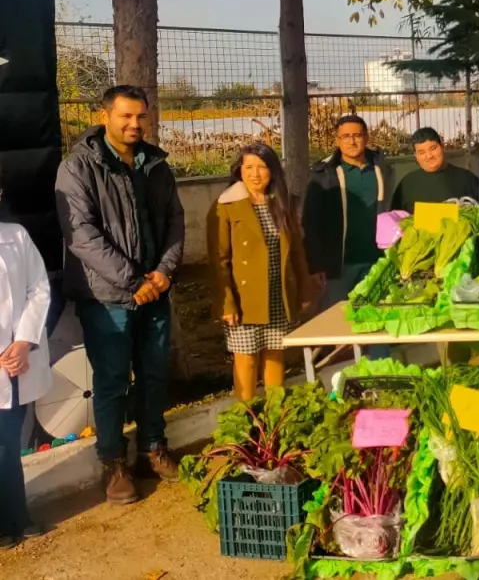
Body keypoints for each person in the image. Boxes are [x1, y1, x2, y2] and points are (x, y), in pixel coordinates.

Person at [55, 85, 185, 505]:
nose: (134, 124)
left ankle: (152, 448)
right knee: (112, 382)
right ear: (104, 116)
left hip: (155, 291)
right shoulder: (79, 167)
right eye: (125, 116)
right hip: (106, 297)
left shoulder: (155, 164)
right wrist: (134, 282)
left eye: (140, 116)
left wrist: (164, 272)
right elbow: (82, 236)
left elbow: (175, 221)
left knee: (153, 374)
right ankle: (113, 464)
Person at [209, 145, 312, 402]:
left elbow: (296, 251)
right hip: (244, 299)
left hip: (278, 294)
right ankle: (247, 416)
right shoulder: (226, 205)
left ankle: (275, 413)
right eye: (249, 167)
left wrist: (304, 289)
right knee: (246, 360)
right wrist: (227, 302)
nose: (255, 174)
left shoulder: (283, 202)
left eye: (262, 167)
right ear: (240, 170)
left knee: (275, 355)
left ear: (273, 171)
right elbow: (219, 260)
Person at [303, 115, 392, 312]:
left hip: (376, 263)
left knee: (376, 318)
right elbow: (311, 222)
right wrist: (315, 265)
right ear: (337, 140)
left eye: (357, 135)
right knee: (337, 320)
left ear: (366, 137)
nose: (352, 141)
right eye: (346, 136)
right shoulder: (325, 174)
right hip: (339, 267)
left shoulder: (382, 169)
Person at [0, 212, 51, 548]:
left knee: (7, 440)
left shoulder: (15, 235)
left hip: (16, 362)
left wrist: (23, 341)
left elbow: (39, 288)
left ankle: (17, 515)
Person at [390, 127, 479, 210]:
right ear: (416, 155)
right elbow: (394, 219)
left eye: (433, 148)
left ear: (442, 147)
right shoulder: (407, 185)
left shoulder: (466, 179)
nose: (429, 156)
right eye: (422, 152)